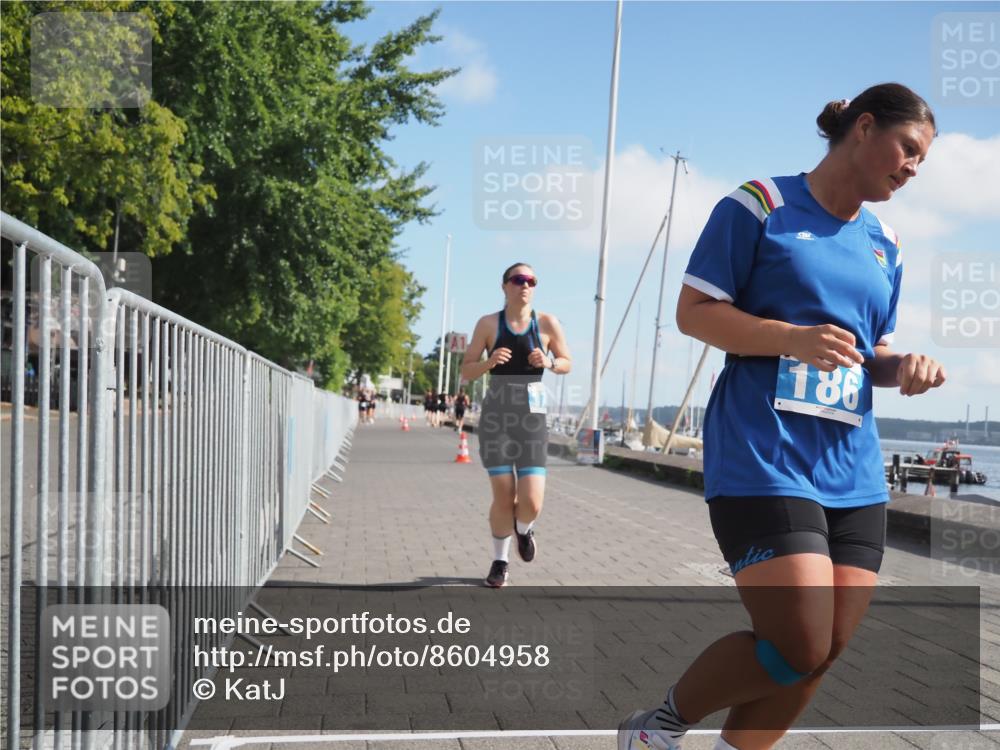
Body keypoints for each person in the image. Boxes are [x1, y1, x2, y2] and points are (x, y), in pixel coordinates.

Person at [618, 83, 946, 750]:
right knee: (797, 640)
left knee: (823, 649)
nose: (913, 168)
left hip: (852, 470)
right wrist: (789, 337)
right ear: (862, 127)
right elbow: (693, 312)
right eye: (907, 149)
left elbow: (869, 351)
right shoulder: (760, 205)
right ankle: (659, 726)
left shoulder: (887, 243)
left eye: (922, 161)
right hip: (762, 456)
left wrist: (902, 366)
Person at [460, 263, 571, 588]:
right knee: (504, 494)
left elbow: (567, 362)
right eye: (519, 279)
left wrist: (549, 362)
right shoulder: (488, 324)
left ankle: (523, 530)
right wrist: (489, 362)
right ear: (505, 285)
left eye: (531, 280)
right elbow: (466, 371)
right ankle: (500, 561)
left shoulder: (547, 323)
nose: (525, 285)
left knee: (532, 501)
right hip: (497, 416)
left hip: (532, 418)